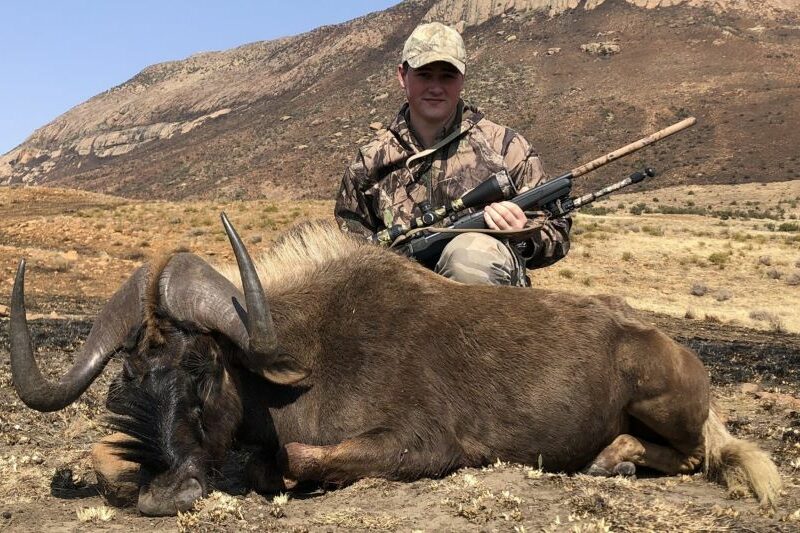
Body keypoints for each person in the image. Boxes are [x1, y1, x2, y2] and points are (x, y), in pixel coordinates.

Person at [334, 22, 570, 286]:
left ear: (463, 78)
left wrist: (524, 236)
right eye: (424, 74)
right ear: (402, 75)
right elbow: (350, 256)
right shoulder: (368, 163)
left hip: (485, 311)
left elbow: (557, 235)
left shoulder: (506, 147)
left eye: (447, 75)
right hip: (399, 303)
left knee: (469, 257)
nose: (436, 87)